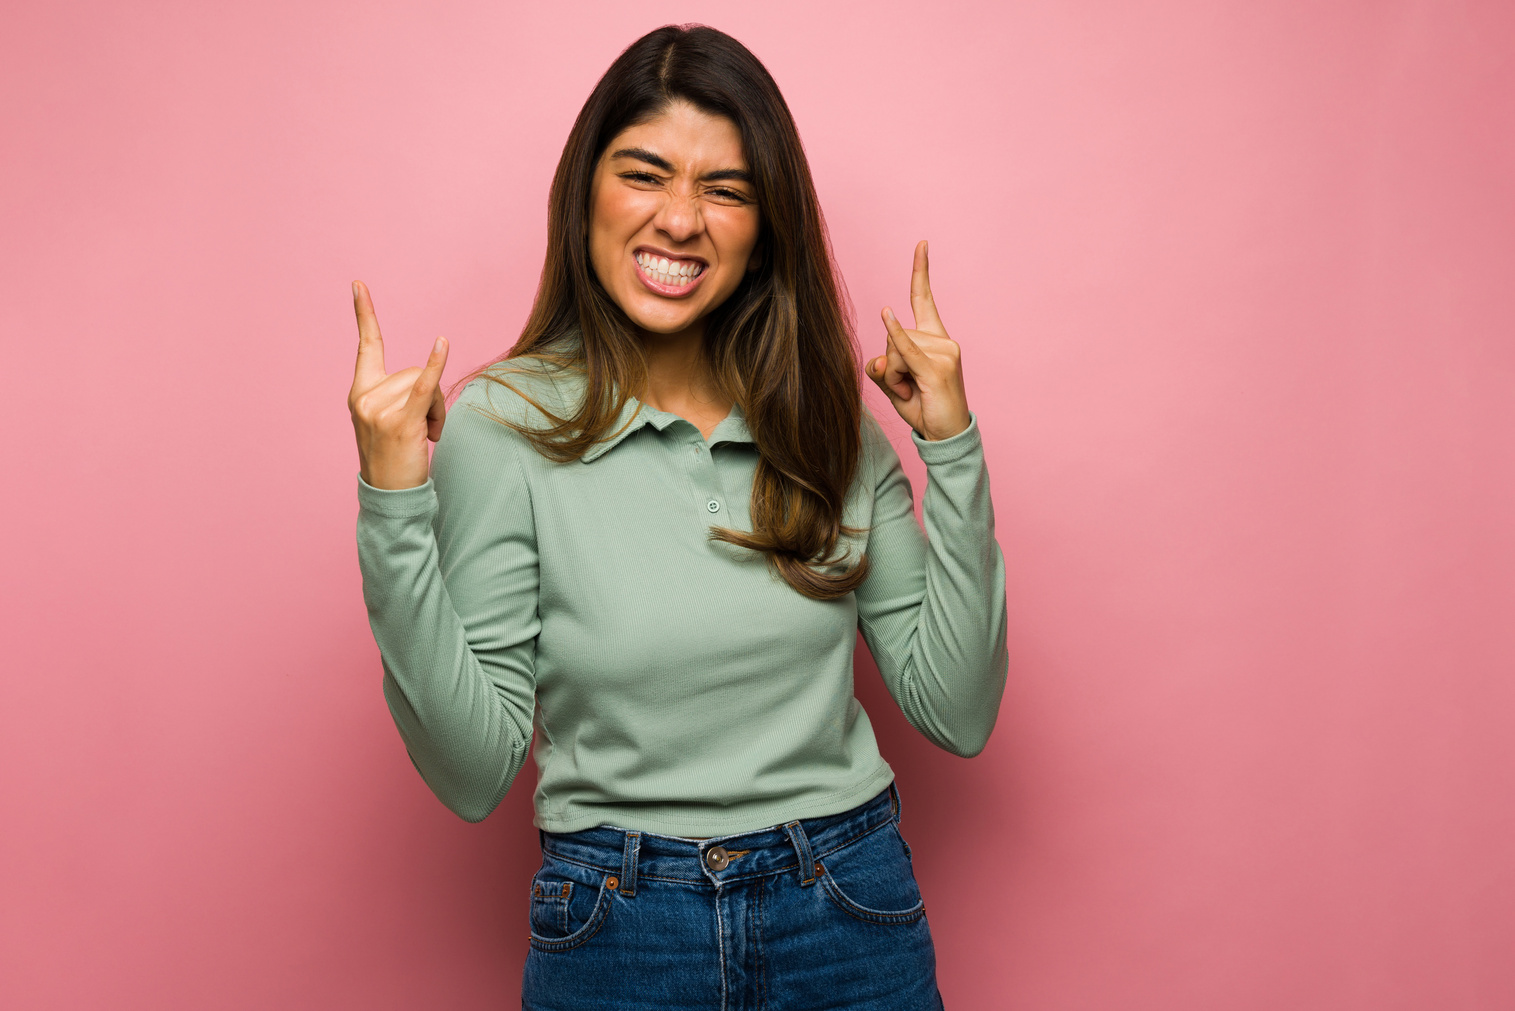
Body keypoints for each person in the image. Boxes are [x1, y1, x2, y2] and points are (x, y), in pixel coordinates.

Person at [347, 23, 1007, 1011]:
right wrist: (394, 497)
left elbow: (957, 711)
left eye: (727, 189)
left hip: (847, 905)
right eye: (645, 173)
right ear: (588, 194)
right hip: (618, 924)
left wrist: (950, 444)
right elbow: (473, 771)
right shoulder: (501, 428)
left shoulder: (830, 428)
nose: (683, 219)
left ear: (765, 224)